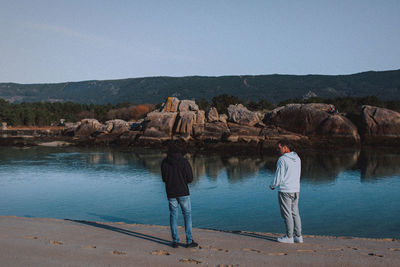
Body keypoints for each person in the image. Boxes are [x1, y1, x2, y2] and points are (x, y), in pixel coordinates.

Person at [161, 141, 198, 248]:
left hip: (171, 192)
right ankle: (189, 241)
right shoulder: (184, 161)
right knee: (187, 215)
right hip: (183, 192)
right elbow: (190, 179)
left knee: (173, 215)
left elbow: (164, 179)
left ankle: (175, 241)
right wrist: (182, 180)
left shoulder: (164, 162)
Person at [270, 140, 303, 243]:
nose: (277, 150)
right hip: (296, 189)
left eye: (279, 148)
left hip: (285, 190)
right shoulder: (297, 158)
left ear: (285, 147)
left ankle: (289, 237)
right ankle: (298, 236)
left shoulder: (282, 159)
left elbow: (279, 176)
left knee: (287, 214)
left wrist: (272, 185)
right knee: (295, 213)